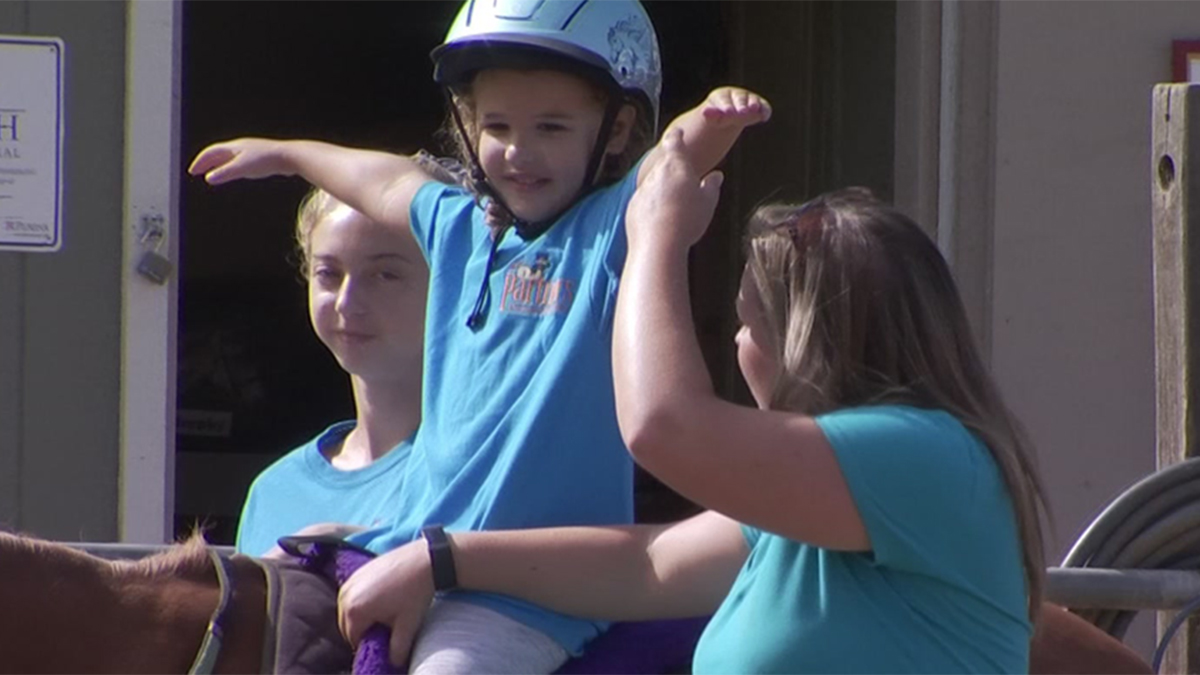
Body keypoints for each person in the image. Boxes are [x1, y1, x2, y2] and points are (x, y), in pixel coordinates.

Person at [187, 1, 772, 672]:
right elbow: (380, 179)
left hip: (519, 596)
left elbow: (672, 163)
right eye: (496, 125)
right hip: (409, 546)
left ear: (617, 131)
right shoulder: (461, 230)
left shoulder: (609, 232)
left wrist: (710, 123)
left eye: (551, 126)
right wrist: (288, 153)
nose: (519, 152)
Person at [334, 130, 1049, 674]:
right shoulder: (835, 492)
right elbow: (649, 565)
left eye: (748, 323)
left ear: (805, 343)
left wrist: (654, 236)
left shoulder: (920, 455)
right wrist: (441, 557)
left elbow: (662, 427)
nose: (737, 345)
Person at [235, 188, 428, 558]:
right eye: (329, 273)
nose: (348, 302)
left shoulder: (474, 471)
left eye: (386, 275)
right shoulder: (275, 489)